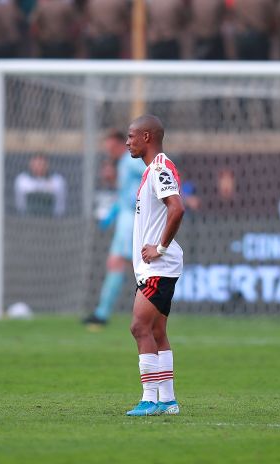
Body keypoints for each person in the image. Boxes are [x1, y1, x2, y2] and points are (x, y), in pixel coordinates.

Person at [124, 114, 185, 417]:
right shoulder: (154, 169)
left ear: (147, 137)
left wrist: (159, 248)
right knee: (157, 331)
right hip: (155, 268)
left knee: (139, 326)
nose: (128, 142)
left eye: (132, 136)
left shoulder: (159, 168)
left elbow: (177, 208)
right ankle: (169, 401)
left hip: (158, 267)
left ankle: (149, 400)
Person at [83, 129, 147, 327]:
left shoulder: (131, 161)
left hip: (134, 219)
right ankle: (103, 312)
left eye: (111, 147)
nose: (108, 151)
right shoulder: (123, 165)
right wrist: (110, 216)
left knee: (121, 263)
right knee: (121, 263)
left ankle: (103, 313)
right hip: (126, 218)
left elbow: (152, 175)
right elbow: (123, 196)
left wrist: (141, 200)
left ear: (121, 145)